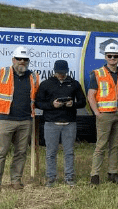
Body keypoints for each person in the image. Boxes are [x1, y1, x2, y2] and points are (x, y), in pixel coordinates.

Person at [36, 59, 86, 187]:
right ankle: (51, 178)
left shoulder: (74, 84)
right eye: (59, 73)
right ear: (54, 71)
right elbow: (38, 103)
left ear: (68, 71)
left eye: (63, 73)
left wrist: (72, 104)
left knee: (69, 152)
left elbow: (82, 102)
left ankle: (69, 177)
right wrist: (52, 105)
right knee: (51, 152)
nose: (61, 75)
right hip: (51, 122)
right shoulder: (46, 84)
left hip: (69, 123)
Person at [87, 42, 118, 185]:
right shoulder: (98, 74)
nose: (112, 58)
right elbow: (91, 95)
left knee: (115, 146)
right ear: (105, 57)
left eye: (115, 56)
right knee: (101, 146)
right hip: (105, 115)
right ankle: (95, 175)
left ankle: (112, 173)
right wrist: (97, 113)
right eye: (110, 56)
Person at [0, 46, 41, 190]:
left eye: (25, 59)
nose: (22, 62)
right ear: (13, 59)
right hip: (4, 119)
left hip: (25, 120)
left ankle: (16, 180)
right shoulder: (3, 73)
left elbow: (37, 98)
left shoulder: (34, 77)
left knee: (21, 152)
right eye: (19, 59)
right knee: (1, 152)